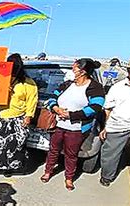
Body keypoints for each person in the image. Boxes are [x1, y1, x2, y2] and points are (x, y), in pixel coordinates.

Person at [41, 58, 105, 191]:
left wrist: (71, 115)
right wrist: (56, 108)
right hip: (58, 126)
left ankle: (69, 178)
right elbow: (53, 97)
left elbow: (95, 107)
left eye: (74, 68)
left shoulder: (95, 87)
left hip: (76, 128)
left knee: (71, 154)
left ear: (82, 71)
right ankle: (48, 171)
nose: (72, 70)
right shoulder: (67, 84)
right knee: (53, 150)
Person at [0, 53, 38, 176]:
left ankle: (9, 168)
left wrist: (28, 116)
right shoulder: (2, 80)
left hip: (18, 118)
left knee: (13, 145)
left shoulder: (28, 83)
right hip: (2, 116)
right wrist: (3, 91)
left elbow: (32, 100)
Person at [99, 52, 130, 187]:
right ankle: (106, 177)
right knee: (109, 154)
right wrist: (106, 126)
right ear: (128, 70)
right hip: (117, 125)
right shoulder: (117, 87)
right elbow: (108, 108)